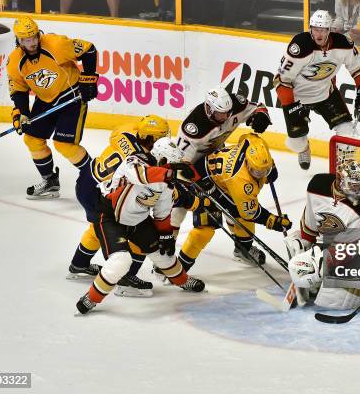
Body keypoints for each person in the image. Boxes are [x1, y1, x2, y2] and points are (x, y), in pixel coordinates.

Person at [75, 138, 207, 314]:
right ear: (161, 159)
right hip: (109, 217)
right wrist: (170, 173)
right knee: (120, 261)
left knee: (163, 254)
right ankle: (91, 298)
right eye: (171, 164)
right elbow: (139, 175)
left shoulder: (167, 185)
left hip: (138, 220)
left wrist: (166, 235)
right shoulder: (135, 160)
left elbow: (162, 214)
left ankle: (182, 280)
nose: (173, 168)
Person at [68, 115, 171, 297]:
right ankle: (126, 278)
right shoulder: (143, 160)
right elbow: (147, 177)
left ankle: (79, 263)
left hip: (86, 180)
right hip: (101, 193)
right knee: (131, 228)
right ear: (153, 139)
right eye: (161, 137)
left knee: (96, 229)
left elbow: (119, 131)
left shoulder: (125, 134)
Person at [167, 86, 272, 258]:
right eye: (220, 114)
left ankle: (242, 247)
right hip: (190, 166)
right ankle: (165, 254)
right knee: (178, 210)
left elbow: (258, 107)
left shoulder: (234, 104)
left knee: (232, 202)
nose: (225, 118)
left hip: (214, 160)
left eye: (227, 113)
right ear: (208, 109)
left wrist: (260, 115)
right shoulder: (193, 127)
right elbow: (181, 166)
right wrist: (198, 182)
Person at [7, 16, 98, 200]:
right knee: (32, 139)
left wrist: (88, 79)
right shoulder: (15, 61)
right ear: (18, 40)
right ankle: (50, 180)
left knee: (63, 144)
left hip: (70, 95)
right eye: (26, 40)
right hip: (45, 99)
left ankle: (96, 177)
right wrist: (22, 113)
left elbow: (89, 49)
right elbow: (19, 89)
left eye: (34, 37)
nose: (32, 43)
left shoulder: (56, 44)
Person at [274, 10, 360, 170]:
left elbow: (359, 67)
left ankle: (345, 168)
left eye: (322, 30)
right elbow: (281, 79)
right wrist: (289, 105)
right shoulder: (300, 46)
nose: (318, 34)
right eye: (315, 29)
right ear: (310, 28)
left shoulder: (343, 44)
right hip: (298, 98)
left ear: (329, 30)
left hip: (326, 94)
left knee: (347, 132)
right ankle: (303, 147)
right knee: (296, 142)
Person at [177, 134, 291, 270]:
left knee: (241, 216)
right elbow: (250, 213)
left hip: (223, 180)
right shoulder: (242, 181)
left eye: (264, 171)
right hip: (202, 182)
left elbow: (245, 137)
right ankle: (179, 269)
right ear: (247, 163)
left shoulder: (255, 143)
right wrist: (272, 221)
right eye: (256, 171)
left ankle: (243, 250)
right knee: (205, 231)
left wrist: (270, 168)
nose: (261, 174)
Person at [285, 160, 360, 309]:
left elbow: (355, 247)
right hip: (328, 245)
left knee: (331, 301)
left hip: (355, 255)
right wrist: (305, 250)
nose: (359, 190)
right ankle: (313, 281)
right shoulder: (317, 185)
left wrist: (323, 261)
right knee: (295, 244)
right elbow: (309, 225)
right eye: (354, 185)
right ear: (340, 181)